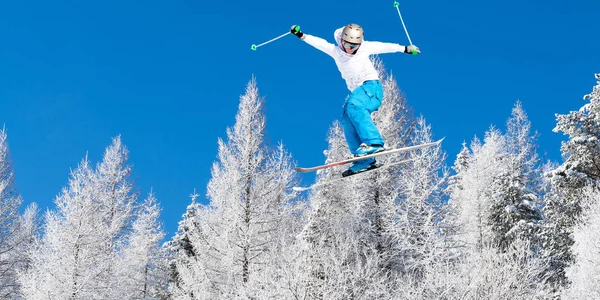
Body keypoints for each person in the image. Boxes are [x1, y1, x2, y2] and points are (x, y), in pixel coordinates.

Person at [290, 24, 420, 176]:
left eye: (354, 46)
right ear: (342, 41)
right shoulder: (336, 52)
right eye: (348, 45)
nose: (351, 49)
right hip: (358, 92)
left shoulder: (365, 48)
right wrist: (301, 35)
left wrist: (405, 49)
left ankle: (374, 142)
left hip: (371, 88)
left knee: (354, 106)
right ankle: (364, 160)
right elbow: (319, 43)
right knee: (346, 118)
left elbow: (385, 46)